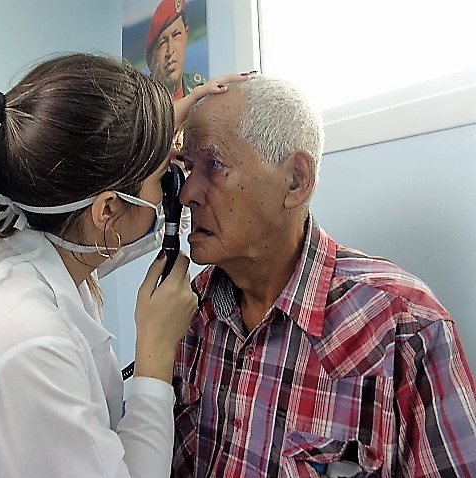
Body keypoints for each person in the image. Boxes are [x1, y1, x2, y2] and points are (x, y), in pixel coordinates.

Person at [0, 52, 247, 477]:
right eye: (163, 180)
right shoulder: (27, 344)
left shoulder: (22, 244)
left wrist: (144, 136)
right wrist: (154, 355)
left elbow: (116, 235)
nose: (179, 190)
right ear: (108, 209)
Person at [171, 76, 476, 476]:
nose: (187, 193)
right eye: (187, 167)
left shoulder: (406, 328)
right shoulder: (190, 312)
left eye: (213, 165)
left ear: (296, 180)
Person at [146, 0, 205, 100]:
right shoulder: (141, 103)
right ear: (150, 60)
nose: (170, 51)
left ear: (185, 36)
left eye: (176, 35)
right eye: (162, 42)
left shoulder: (199, 89)